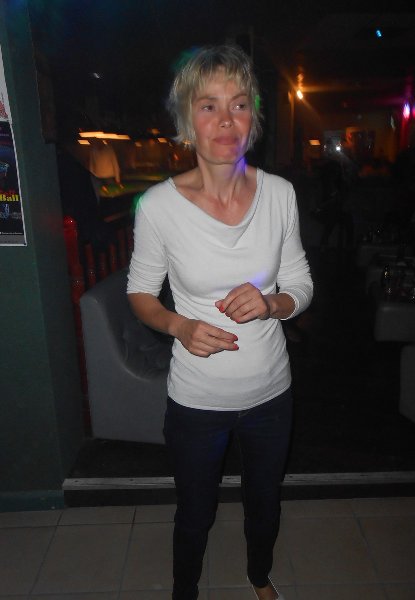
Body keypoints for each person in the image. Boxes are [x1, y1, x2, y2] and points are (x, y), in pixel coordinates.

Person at [127, 45, 313, 600]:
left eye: (239, 104)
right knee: (195, 511)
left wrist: (273, 303)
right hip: (197, 400)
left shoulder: (281, 195)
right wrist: (180, 327)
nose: (227, 120)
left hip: (271, 393)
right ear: (188, 120)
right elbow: (140, 294)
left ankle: (259, 575)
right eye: (209, 106)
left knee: (265, 501)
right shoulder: (158, 206)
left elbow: (301, 283)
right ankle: (185, 589)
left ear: (254, 116)